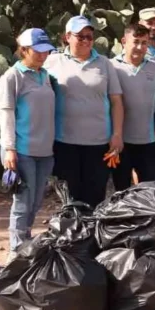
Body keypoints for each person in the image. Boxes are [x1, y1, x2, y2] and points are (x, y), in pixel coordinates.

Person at [45, 16, 124, 208]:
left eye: (90, 36)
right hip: (64, 142)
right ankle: (71, 236)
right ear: (67, 37)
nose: (86, 41)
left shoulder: (105, 63)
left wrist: (117, 134)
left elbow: (116, 101)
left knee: (95, 195)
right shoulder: (52, 61)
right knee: (69, 198)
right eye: (80, 37)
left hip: (98, 143)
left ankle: (90, 237)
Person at [0, 28, 57, 251]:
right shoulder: (12, 77)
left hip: (44, 150)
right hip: (21, 150)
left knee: (36, 202)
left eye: (46, 51)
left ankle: (26, 243)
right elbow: (6, 113)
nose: (43, 55)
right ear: (24, 50)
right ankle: (16, 252)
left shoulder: (45, 75)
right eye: (38, 51)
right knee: (23, 203)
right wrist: (9, 149)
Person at [111, 24, 155, 191]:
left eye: (144, 42)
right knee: (121, 192)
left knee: (151, 192)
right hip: (121, 142)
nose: (140, 47)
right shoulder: (111, 66)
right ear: (124, 41)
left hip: (148, 141)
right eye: (135, 42)